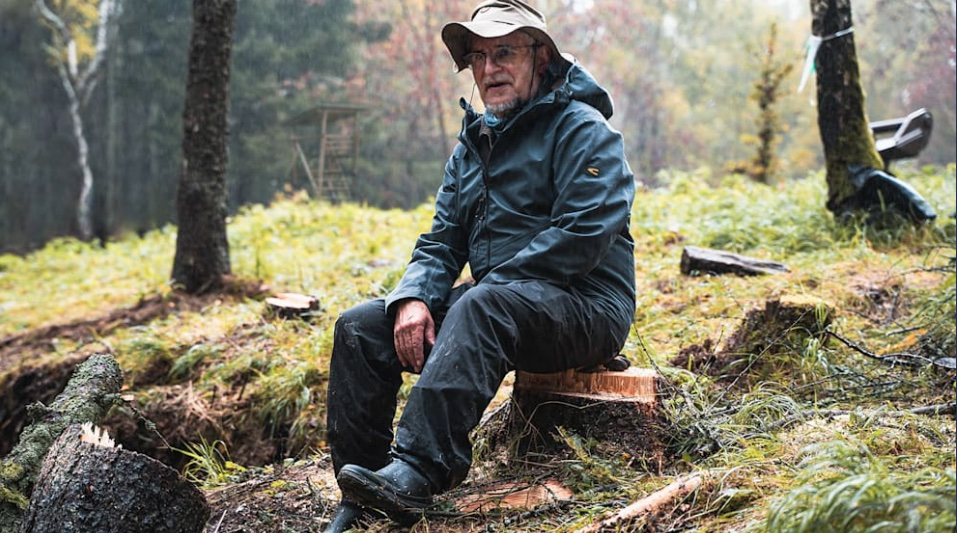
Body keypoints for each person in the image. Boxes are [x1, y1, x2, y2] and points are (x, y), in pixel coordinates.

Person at [322, 1, 636, 530]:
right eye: (479, 56)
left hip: (588, 306)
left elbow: (583, 234)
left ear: (540, 57)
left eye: (505, 52)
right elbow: (442, 241)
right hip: (499, 304)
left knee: (482, 302)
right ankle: (364, 484)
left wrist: (480, 292)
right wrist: (414, 298)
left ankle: (419, 471)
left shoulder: (583, 129)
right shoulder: (472, 149)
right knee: (360, 327)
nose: (490, 69)